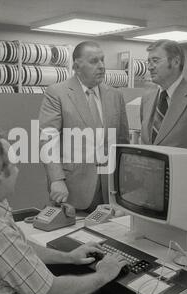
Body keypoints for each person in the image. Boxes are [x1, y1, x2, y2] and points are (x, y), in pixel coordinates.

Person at [0, 130, 128, 294]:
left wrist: (68, 257)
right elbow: (52, 292)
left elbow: (19, 250)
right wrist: (103, 274)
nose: (18, 169)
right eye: (14, 164)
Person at [38, 41, 129, 213]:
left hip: (109, 190)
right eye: (94, 61)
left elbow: (123, 141)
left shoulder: (115, 96)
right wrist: (56, 179)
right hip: (72, 189)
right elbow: (48, 139)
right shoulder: (57, 93)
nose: (101, 66)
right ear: (76, 66)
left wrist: (125, 183)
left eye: (102, 60)